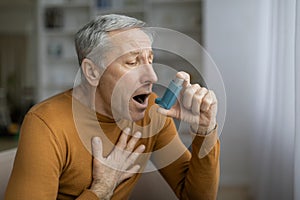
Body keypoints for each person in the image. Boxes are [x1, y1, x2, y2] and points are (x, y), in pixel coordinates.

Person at [5, 14, 220, 200]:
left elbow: (196, 196)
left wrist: (205, 130)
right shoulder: (45, 124)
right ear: (92, 72)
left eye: (150, 60)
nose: (152, 76)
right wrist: (100, 190)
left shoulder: (153, 113)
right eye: (133, 62)